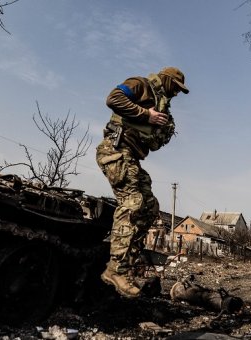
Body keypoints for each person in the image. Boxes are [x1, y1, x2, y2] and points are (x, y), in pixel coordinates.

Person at [96, 67, 189, 298]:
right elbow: (113, 98)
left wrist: (161, 128)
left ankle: (126, 266)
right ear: (167, 80)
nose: (176, 94)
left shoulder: (162, 104)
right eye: (175, 88)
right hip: (115, 150)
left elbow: (153, 142)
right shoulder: (141, 84)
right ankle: (116, 269)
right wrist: (148, 115)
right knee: (133, 202)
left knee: (149, 208)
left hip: (131, 158)